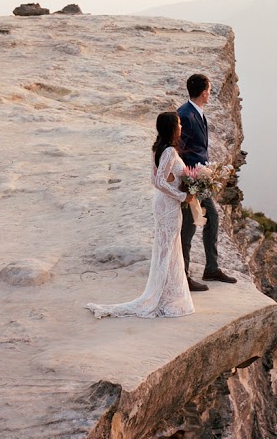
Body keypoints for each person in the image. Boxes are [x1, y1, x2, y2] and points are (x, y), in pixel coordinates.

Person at [84, 112, 196, 318]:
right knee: (168, 250)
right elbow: (158, 181)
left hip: (162, 203)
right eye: (179, 124)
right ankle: (162, 297)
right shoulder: (170, 151)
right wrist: (183, 196)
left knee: (168, 248)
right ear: (172, 128)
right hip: (169, 205)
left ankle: (168, 294)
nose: (181, 127)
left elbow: (156, 178)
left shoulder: (158, 148)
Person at [178, 73, 237, 290]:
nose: (210, 93)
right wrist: (187, 180)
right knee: (189, 227)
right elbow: (177, 149)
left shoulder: (196, 112)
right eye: (209, 90)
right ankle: (183, 275)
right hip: (190, 181)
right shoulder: (185, 115)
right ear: (204, 93)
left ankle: (211, 268)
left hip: (200, 180)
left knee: (211, 218)